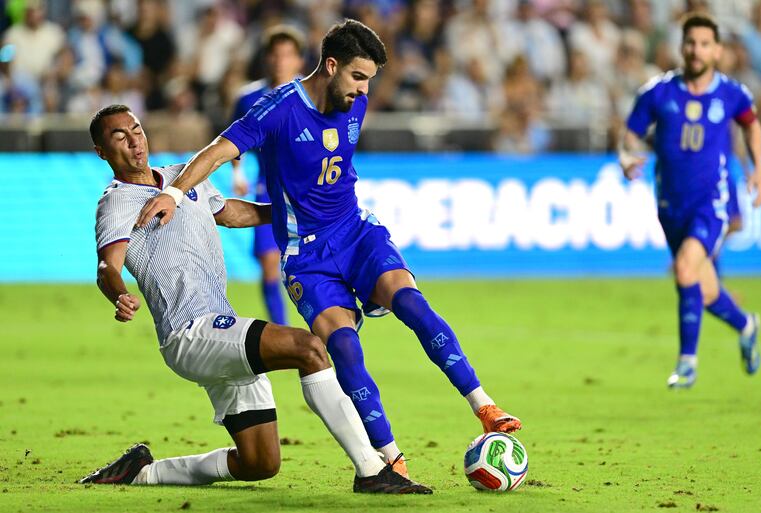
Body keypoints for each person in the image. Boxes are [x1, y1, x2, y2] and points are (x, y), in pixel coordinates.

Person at [135, 19, 521, 478]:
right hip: (307, 259)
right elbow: (218, 152)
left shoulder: (354, 99)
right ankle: (390, 459)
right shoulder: (276, 110)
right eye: (358, 78)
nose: (363, 91)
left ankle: (484, 405)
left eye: (370, 81)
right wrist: (175, 194)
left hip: (356, 232)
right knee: (343, 348)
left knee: (413, 304)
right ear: (331, 66)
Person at [79, 104, 431, 494]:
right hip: (190, 332)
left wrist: (290, 214)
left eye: (136, 129)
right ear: (102, 152)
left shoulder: (182, 176)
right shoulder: (117, 201)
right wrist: (120, 294)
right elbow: (107, 266)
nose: (134, 141)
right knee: (309, 348)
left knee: (259, 462)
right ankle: (371, 469)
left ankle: (143, 471)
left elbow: (230, 213)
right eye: (119, 136)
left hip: (217, 326)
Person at [619, 13, 761, 388]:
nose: (696, 50)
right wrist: (626, 154)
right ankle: (746, 324)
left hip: (712, 202)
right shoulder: (659, 92)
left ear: (716, 50)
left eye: (704, 44)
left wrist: (757, 170)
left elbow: (751, 124)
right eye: (690, 43)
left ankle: (687, 362)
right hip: (670, 205)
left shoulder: (732, 94)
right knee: (705, 289)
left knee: (685, 270)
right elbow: (631, 132)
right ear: (681, 47)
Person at [230, 25, 306, 326]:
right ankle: (283, 330)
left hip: (306, 191)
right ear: (266, 59)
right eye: (275, 55)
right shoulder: (248, 98)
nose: (280, 61)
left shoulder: (311, 95)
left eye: (287, 55)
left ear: (299, 60)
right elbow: (234, 141)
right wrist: (238, 171)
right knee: (270, 263)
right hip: (268, 188)